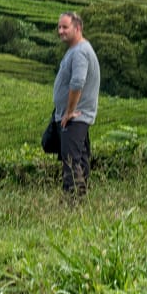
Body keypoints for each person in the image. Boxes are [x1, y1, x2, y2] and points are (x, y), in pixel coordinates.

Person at [53, 11, 100, 199]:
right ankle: (80, 197)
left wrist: (69, 111)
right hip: (74, 115)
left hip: (75, 116)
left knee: (71, 160)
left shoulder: (80, 52)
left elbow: (78, 82)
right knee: (79, 157)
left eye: (65, 27)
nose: (61, 31)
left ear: (78, 28)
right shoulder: (76, 49)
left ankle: (73, 200)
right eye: (59, 27)